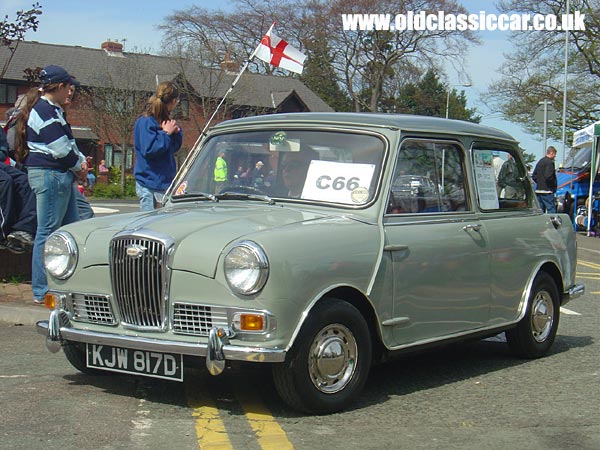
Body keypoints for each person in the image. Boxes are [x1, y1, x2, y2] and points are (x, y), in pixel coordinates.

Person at [14, 64, 88, 304]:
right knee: (48, 232)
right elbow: (60, 148)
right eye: (68, 87)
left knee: (71, 230)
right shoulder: (45, 110)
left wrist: (78, 164)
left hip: (57, 175)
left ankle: (64, 286)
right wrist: (79, 166)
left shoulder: (52, 110)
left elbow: (67, 145)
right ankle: (42, 289)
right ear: (58, 86)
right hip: (50, 175)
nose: (71, 92)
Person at [133, 81, 183, 211]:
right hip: (149, 184)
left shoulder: (164, 121)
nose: (177, 104)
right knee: (150, 224)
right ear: (172, 101)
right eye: (177, 101)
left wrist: (175, 134)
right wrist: (166, 133)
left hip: (164, 184)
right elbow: (149, 149)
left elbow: (172, 148)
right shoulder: (145, 121)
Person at [532, 146, 558, 213]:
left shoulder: (540, 161)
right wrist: (552, 185)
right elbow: (548, 176)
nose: (555, 156)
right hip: (547, 190)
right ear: (552, 153)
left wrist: (540, 182)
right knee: (551, 209)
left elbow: (534, 176)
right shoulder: (550, 162)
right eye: (555, 154)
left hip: (538, 190)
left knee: (540, 210)